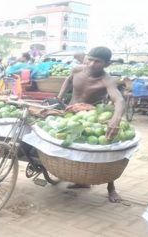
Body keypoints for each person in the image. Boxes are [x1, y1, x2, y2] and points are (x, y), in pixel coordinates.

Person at [57, 46, 125, 203]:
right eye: (90, 59)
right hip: (70, 112)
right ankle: (81, 180)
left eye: (98, 62)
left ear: (106, 64)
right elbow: (67, 80)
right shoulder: (76, 69)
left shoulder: (106, 80)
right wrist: (60, 97)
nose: (92, 64)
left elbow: (119, 99)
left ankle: (111, 188)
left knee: (104, 147)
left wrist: (116, 118)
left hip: (91, 116)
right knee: (68, 144)